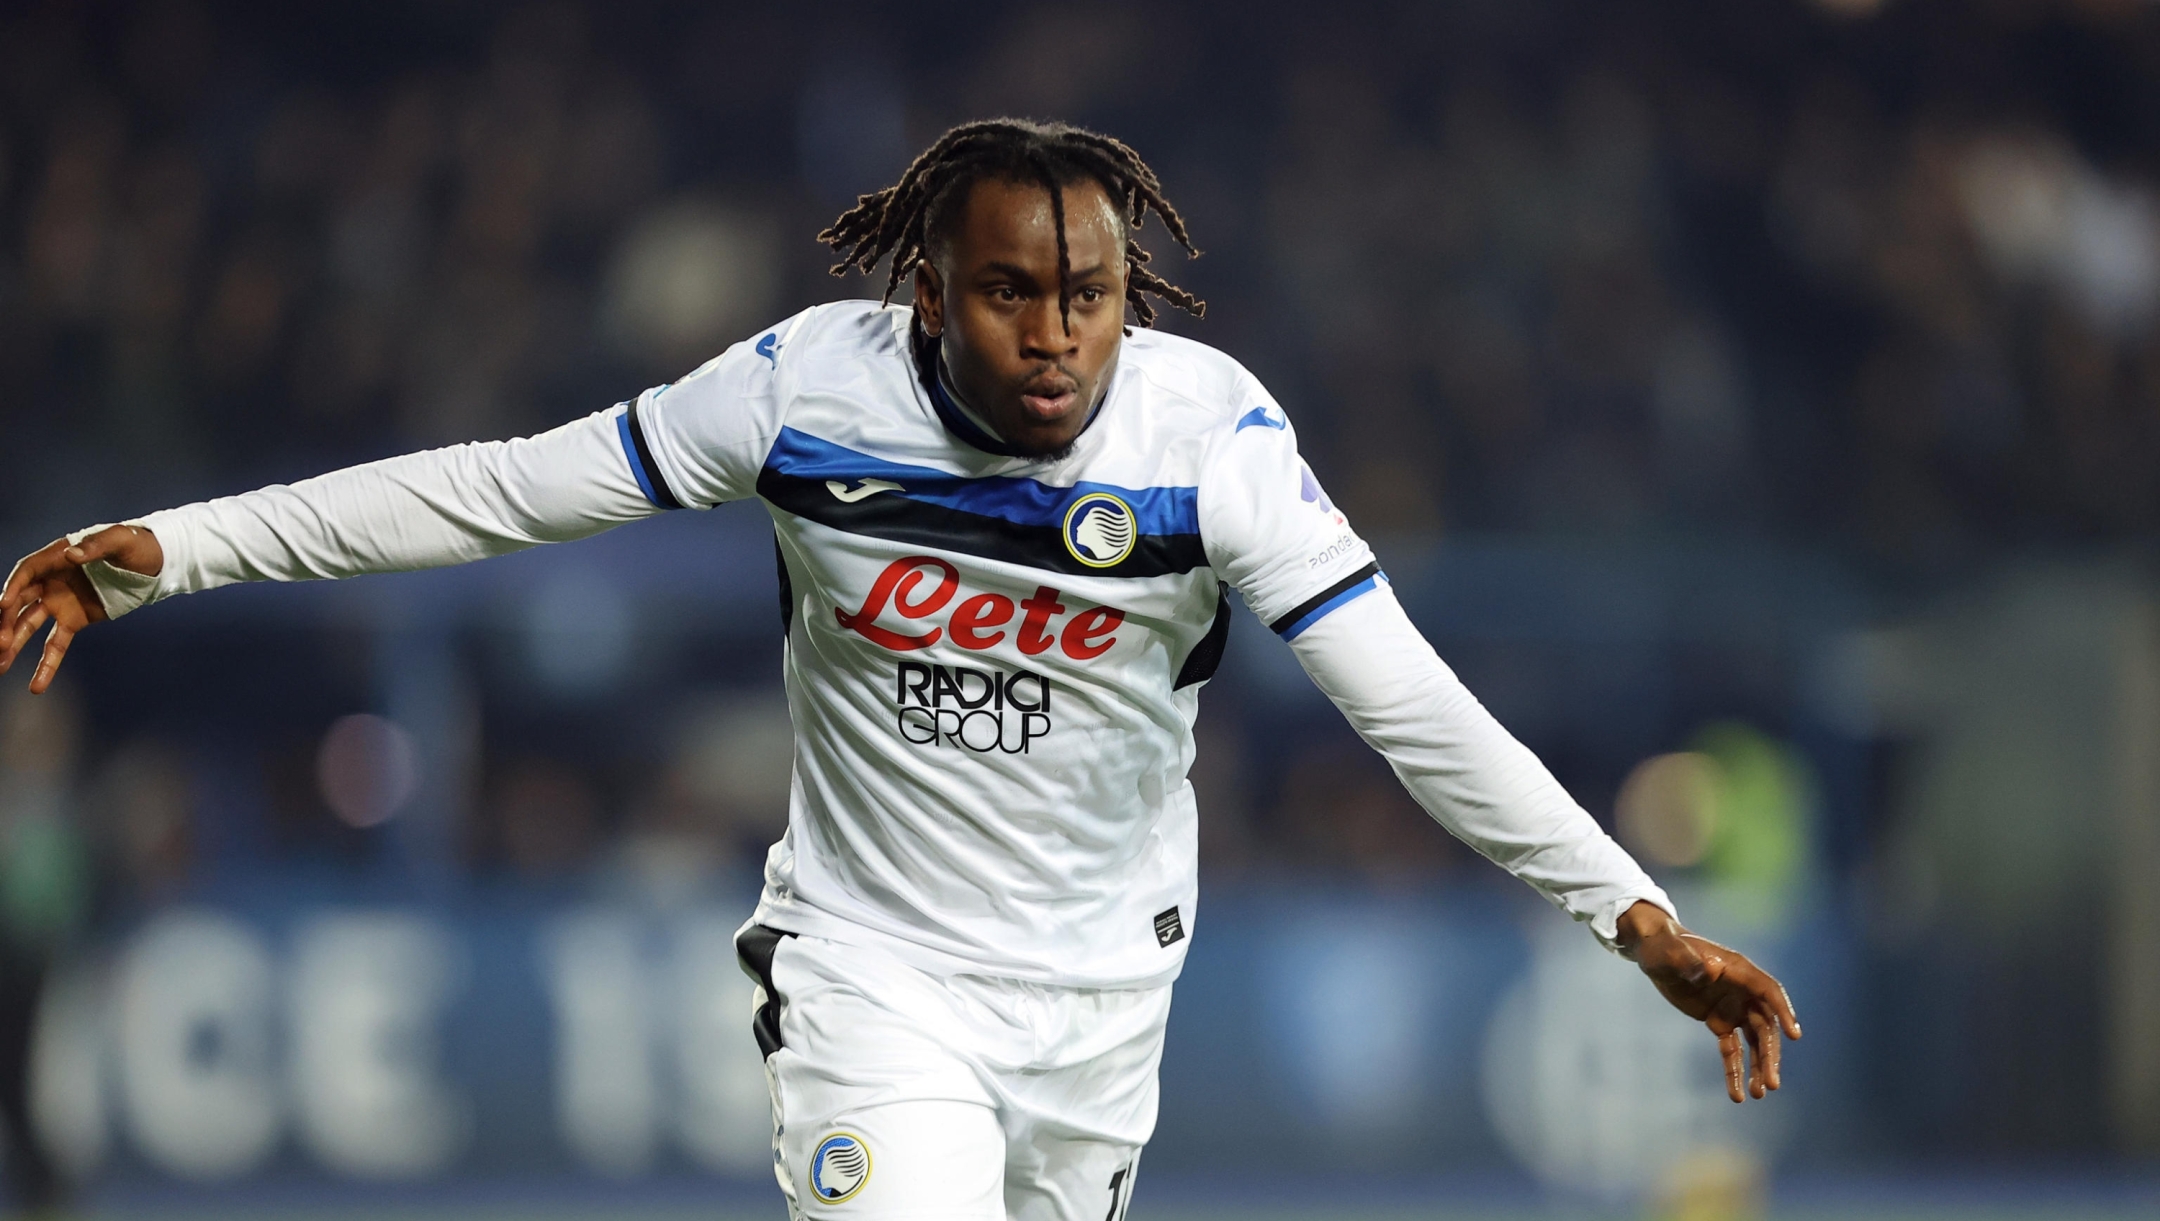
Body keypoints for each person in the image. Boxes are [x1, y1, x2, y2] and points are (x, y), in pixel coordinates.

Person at [1, 119, 1799, 1219]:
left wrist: (1633, 915)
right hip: (876, 972)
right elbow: (500, 494)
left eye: (1092, 292)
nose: (1060, 334)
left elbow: (1406, 699)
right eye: (1015, 292)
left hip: (1103, 996)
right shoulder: (804, 394)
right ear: (928, 292)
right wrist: (182, 547)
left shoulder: (1211, 442)